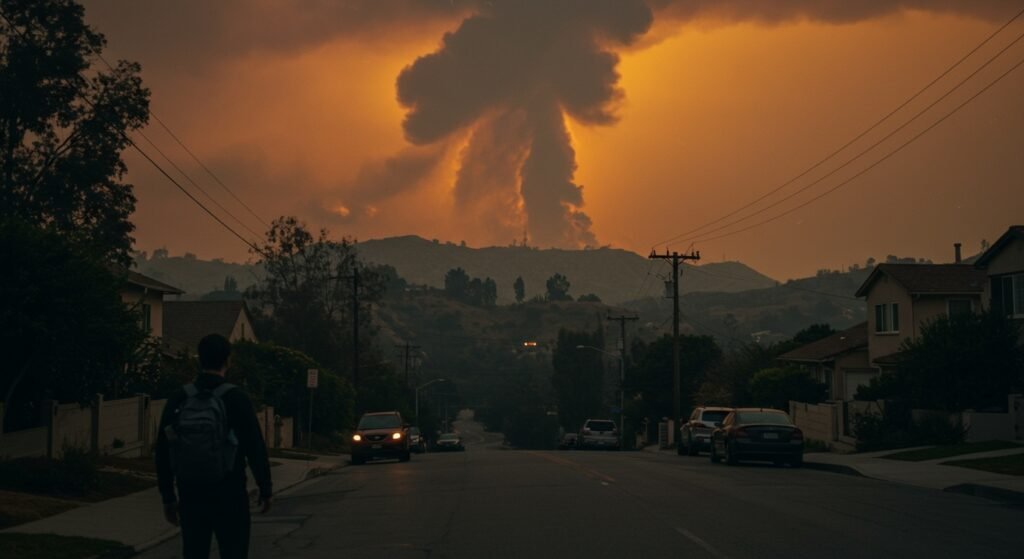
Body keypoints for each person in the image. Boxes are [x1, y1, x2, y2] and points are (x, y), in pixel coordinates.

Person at [155, 334, 273, 559]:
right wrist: (265, 487)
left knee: (194, 551)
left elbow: (163, 450)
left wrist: (168, 496)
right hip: (230, 493)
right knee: (233, 551)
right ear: (228, 361)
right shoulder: (236, 398)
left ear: (200, 359)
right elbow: (254, 447)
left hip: (191, 493)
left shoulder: (180, 398)